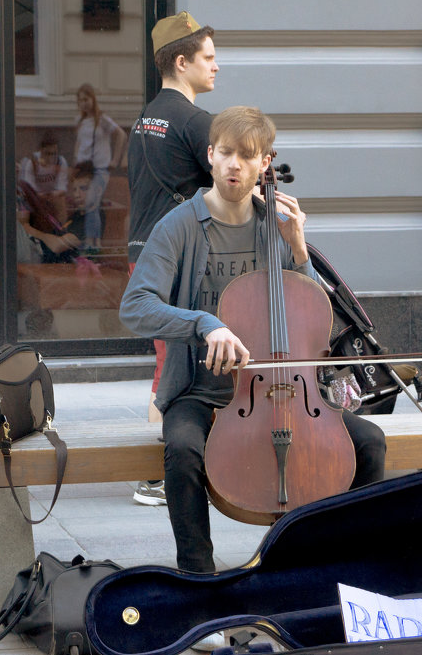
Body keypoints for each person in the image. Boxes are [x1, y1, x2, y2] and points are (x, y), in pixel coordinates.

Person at [120, 106, 387, 576]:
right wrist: (204, 322)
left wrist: (299, 249)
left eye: (246, 156)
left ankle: (341, 567)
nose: (233, 166)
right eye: (225, 153)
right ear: (209, 155)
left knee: (369, 444)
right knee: (182, 451)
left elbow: (311, 317)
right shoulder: (179, 226)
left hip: (282, 392)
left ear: (266, 163)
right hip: (203, 394)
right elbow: (135, 306)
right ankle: (199, 580)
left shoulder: (276, 226)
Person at [125, 11, 219, 506]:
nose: (216, 68)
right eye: (208, 58)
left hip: (142, 248)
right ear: (181, 62)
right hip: (175, 256)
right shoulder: (197, 122)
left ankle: (160, 467)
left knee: (168, 360)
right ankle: (158, 476)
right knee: (174, 367)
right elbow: (232, 185)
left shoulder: (145, 118)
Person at [74, 83, 126, 250]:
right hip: (85, 168)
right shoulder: (81, 120)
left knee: (91, 202)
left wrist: (115, 160)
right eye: (80, 100)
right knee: (89, 205)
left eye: (86, 99)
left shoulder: (102, 119)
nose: (83, 103)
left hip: (100, 168)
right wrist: (76, 159)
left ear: (93, 99)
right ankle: (93, 241)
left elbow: (121, 135)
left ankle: (93, 242)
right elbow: (79, 142)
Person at [19, 130, 70, 226]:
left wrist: (51, 195)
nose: (51, 158)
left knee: (61, 201)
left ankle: (61, 229)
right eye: (48, 154)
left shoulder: (60, 161)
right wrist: (40, 196)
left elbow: (62, 188)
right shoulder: (31, 162)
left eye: (54, 154)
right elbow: (27, 189)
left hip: (52, 196)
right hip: (34, 198)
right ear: (41, 151)